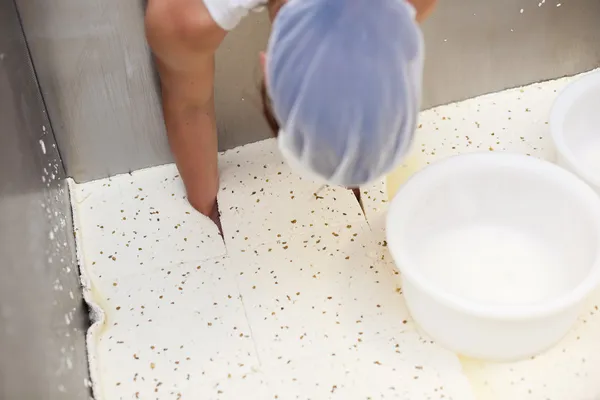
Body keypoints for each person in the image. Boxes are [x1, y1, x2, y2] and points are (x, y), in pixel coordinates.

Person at [145, 0, 437, 219]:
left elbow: (190, 105)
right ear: (267, 69)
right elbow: (189, 107)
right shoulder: (183, 16)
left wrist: (204, 202)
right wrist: (205, 213)